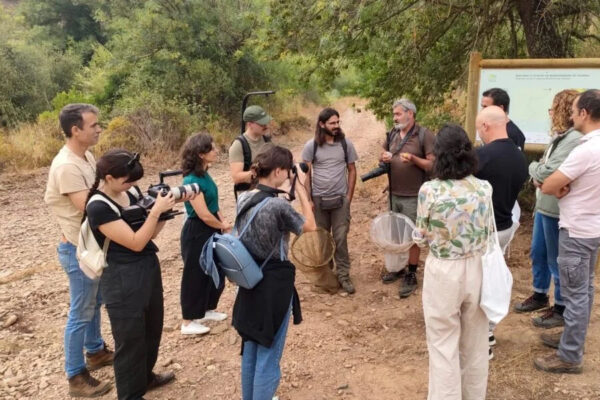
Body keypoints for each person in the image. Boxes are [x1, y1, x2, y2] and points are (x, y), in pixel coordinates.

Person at [84, 149, 178, 399]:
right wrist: (156, 211)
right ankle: (130, 394)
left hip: (146, 267)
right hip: (121, 277)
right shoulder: (98, 206)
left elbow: (150, 234)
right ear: (109, 177)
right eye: (127, 180)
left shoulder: (132, 192)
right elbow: (135, 241)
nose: (132, 185)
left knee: (151, 329)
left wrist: (164, 211)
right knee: (129, 341)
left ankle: (145, 378)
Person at [413, 124, 492, 400]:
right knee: (476, 342)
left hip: (444, 270)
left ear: (439, 154)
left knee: (443, 342)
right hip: (478, 267)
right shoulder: (484, 188)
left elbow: (421, 237)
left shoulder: (429, 191)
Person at [232, 146, 317, 400]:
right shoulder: (278, 207)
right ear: (278, 171)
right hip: (274, 284)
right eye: (288, 170)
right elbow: (310, 226)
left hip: (248, 279)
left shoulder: (243, 198)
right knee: (269, 352)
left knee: (250, 346)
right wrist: (301, 187)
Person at [44, 103, 113, 397]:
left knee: (94, 301)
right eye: (93, 125)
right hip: (77, 249)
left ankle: (95, 351)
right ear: (75, 130)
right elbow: (90, 208)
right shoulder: (66, 167)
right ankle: (75, 376)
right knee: (81, 311)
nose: (99, 129)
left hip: (90, 246)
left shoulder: (85, 155)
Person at [535, 89, 600, 374]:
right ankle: (570, 341)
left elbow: (548, 183)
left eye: (574, 110)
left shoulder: (585, 150)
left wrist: (558, 187)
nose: (571, 115)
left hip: (575, 231)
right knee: (584, 290)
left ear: (585, 113)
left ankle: (570, 356)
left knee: (575, 295)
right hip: (592, 229)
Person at [514, 90, 582, 331]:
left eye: (553, 108)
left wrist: (535, 167)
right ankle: (540, 294)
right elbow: (543, 172)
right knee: (539, 252)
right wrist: (540, 170)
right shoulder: (560, 137)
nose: (550, 114)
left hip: (556, 209)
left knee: (556, 259)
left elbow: (543, 172)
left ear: (563, 110)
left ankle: (561, 306)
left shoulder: (574, 139)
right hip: (545, 205)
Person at [475, 105, 528, 358]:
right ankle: (490, 330)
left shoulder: (483, 156)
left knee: (481, 284)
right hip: (506, 225)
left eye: (479, 129)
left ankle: (483, 339)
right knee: (495, 277)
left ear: (486, 126)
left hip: (485, 230)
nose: (480, 135)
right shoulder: (519, 156)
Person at [380, 98, 434, 298]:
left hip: (415, 195)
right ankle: (398, 268)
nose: (394, 118)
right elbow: (383, 154)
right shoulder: (393, 133)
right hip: (395, 192)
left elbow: (431, 165)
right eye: (394, 114)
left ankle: (411, 272)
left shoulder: (424, 135)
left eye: (398, 114)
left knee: (414, 235)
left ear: (410, 114)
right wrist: (384, 157)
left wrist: (413, 158)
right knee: (397, 232)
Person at [179, 133, 232, 335]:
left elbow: (213, 205)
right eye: (212, 148)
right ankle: (187, 321)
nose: (216, 151)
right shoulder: (191, 180)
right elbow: (202, 214)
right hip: (197, 231)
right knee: (195, 274)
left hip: (211, 227)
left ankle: (207, 309)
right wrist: (222, 225)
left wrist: (222, 221)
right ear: (201, 154)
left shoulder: (204, 174)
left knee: (215, 269)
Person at [301, 108, 358, 294]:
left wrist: (348, 197)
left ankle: (343, 275)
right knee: (323, 239)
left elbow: (352, 170)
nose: (336, 126)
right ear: (322, 124)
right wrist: (308, 199)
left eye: (338, 122)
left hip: (340, 200)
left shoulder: (345, 144)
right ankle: (327, 275)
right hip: (319, 201)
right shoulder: (312, 146)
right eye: (332, 123)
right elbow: (306, 174)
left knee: (340, 239)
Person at [229, 105, 274, 197]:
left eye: (266, 123)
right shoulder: (239, 145)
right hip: (248, 195)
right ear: (250, 124)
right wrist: (257, 172)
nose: (266, 126)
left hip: (268, 192)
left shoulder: (267, 140)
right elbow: (236, 177)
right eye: (262, 124)